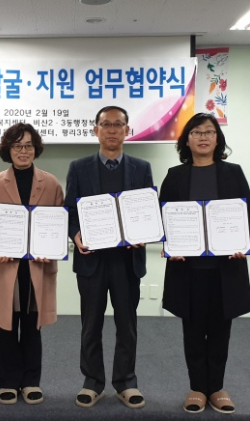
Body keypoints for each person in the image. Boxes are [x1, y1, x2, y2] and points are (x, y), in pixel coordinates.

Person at [159, 112, 250, 414]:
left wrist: (241, 242)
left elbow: (247, 213)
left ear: (218, 139)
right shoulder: (175, 175)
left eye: (209, 132)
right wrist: (170, 244)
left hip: (225, 268)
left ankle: (217, 388)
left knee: (220, 331)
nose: (203, 137)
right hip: (187, 269)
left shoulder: (233, 173)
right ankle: (197, 388)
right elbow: (163, 216)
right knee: (192, 331)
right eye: (197, 132)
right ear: (186, 140)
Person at [65, 106, 153, 408]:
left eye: (118, 125)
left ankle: (126, 382)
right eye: (106, 124)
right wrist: (75, 234)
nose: (112, 130)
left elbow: (147, 210)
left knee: (127, 325)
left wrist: (144, 231)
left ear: (127, 130)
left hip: (128, 261)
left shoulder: (142, 168)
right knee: (90, 325)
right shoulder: (78, 167)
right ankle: (92, 382)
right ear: (96, 130)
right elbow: (70, 211)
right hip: (92, 261)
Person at [0, 123, 64, 405]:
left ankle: (30, 381)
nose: (23, 151)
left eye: (28, 145)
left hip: (38, 266)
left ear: (36, 149)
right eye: (17, 146)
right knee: (6, 326)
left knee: (32, 325)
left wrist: (49, 247)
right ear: (8, 150)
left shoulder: (51, 183)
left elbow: (58, 221)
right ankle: (7, 382)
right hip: (7, 265)